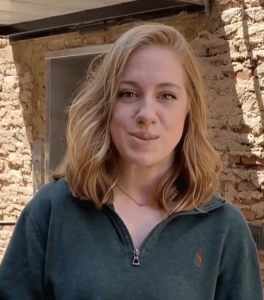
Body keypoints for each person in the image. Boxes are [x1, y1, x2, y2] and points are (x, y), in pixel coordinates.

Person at [0, 23, 262, 300]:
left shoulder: (223, 229)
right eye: (128, 93)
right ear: (106, 105)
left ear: (189, 110)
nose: (146, 114)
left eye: (166, 95)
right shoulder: (50, 212)